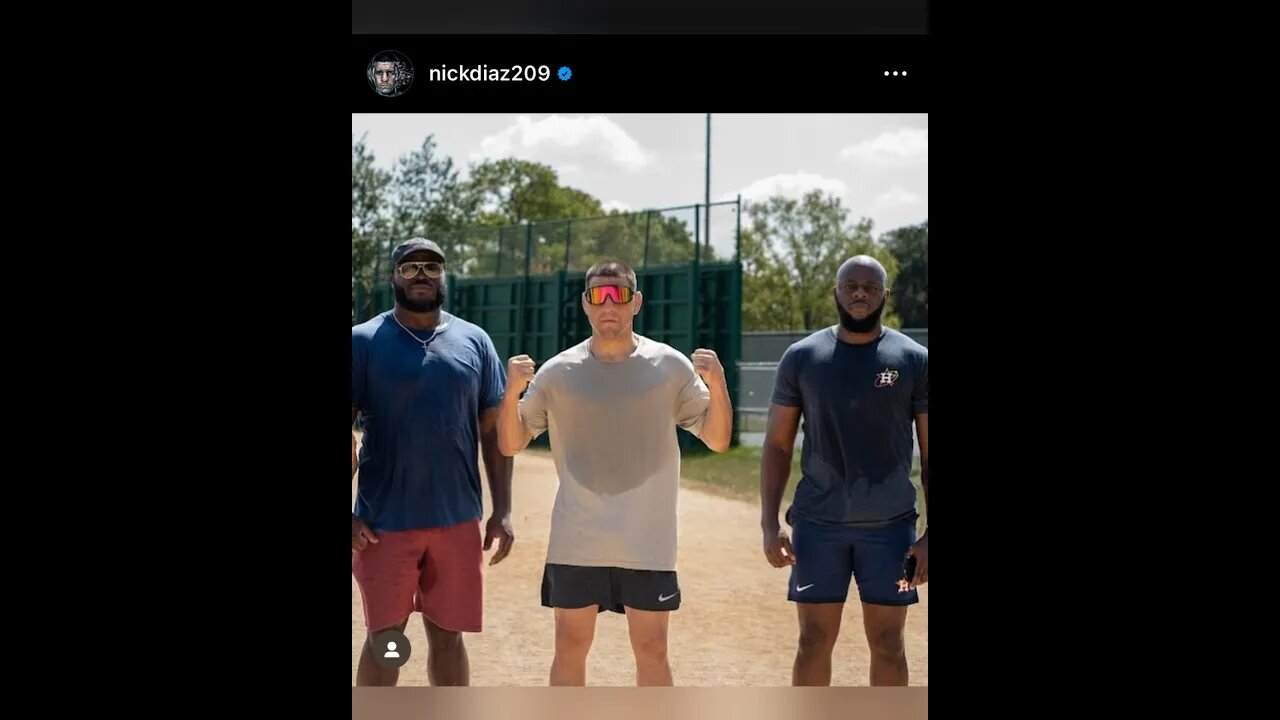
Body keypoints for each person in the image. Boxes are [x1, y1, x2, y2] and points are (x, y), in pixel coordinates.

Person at [495, 259, 734, 686]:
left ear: (636, 302)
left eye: (619, 293)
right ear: (585, 305)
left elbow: (716, 439)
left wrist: (718, 385)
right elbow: (511, 443)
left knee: (653, 652)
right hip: (578, 538)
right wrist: (512, 392)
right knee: (569, 648)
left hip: (648, 540)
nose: (609, 304)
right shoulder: (557, 372)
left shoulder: (670, 365)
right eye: (599, 295)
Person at [350, 237, 515, 687]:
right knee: (388, 640)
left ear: (445, 274)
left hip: (456, 521)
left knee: (448, 638)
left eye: (431, 266)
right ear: (393, 277)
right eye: (409, 267)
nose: (421, 275)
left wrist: (502, 509)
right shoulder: (363, 342)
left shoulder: (474, 341)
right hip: (385, 524)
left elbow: (493, 432)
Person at [759, 254, 928, 687]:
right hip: (819, 524)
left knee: (889, 643)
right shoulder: (802, 358)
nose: (859, 293)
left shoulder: (913, 360)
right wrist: (769, 523)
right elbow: (778, 444)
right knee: (813, 639)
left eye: (871, 287)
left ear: (885, 296)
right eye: (851, 285)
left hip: (890, 529)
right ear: (835, 292)